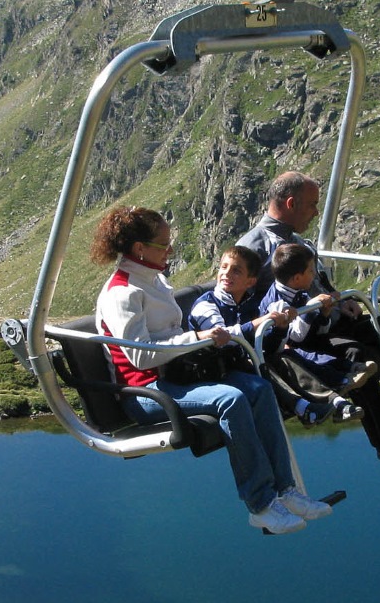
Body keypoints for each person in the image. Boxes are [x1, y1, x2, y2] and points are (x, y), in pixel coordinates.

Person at [91, 205, 331, 534]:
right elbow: (139, 357)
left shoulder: (153, 280)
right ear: (140, 249)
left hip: (179, 376)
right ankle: (260, 504)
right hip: (147, 391)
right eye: (164, 244)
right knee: (230, 399)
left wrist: (198, 340)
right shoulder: (123, 293)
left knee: (258, 389)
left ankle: (286, 491)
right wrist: (198, 337)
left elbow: (169, 335)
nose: (170, 249)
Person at [237, 171, 380, 470]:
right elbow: (243, 303)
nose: (317, 212)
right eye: (312, 205)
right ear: (291, 203)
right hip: (302, 335)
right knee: (357, 357)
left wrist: (342, 301)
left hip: (331, 319)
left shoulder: (297, 241)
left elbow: (320, 283)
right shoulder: (253, 247)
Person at [188, 245, 359, 426]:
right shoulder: (206, 305)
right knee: (261, 365)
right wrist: (260, 323)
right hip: (214, 370)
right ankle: (305, 406)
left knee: (282, 356)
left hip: (241, 362)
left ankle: (334, 400)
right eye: (223, 267)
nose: (226, 273)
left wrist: (280, 330)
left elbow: (269, 347)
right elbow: (222, 338)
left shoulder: (249, 306)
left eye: (236, 270)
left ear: (250, 282)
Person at [259, 242, 376, 420]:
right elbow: (296, 336)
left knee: (338, 349)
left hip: (307, 339)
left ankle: (350, 371)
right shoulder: (278, 303)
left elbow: (318, 331)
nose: (314, 276)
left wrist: (324, 314)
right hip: (286, 347)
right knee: (309, 358)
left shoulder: (299, 291)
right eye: (311, 271)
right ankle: (343, 382)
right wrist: (311, 308)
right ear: (297, 278)